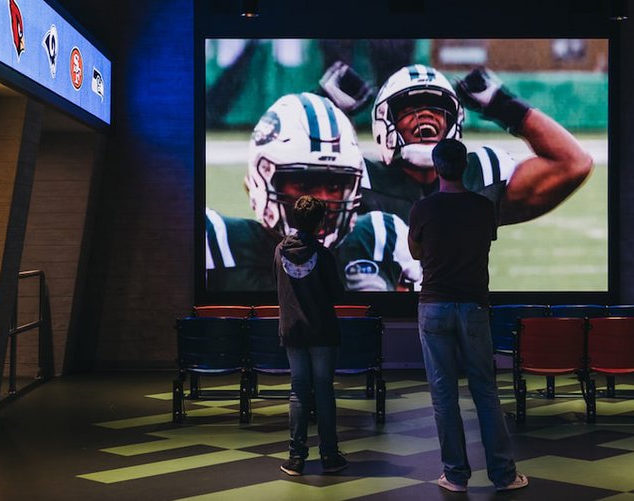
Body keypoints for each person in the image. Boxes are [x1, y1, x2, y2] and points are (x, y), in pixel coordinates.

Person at [320, 62, 593, 226]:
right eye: (408, 108)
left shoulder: (480, 175)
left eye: (437, 108)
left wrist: (503, 105)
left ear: (454, 121)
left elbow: (574, 163)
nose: (425, 115)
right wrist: (322, 104)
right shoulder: (358, 179)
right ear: (384, 121)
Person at [205, 92, 421, 292]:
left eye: (335, 187)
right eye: (305, 186)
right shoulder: (218, 243)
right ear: (263, 178)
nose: (323, 201)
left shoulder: (380, 238)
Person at [407, 138, 528, 493]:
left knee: (444, 395)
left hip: (433, 306)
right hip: (474, 306)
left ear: (436, 166)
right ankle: (503, 475)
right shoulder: (482, 207)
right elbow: (483, 243)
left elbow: (415, 252)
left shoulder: (422, 209)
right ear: (465, 165)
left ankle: (456, 475)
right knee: (485, 393)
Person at [274, 195, 348, 476]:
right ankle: (329, 456)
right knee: (324, 391)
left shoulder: (279, 250)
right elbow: (337, 294)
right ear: (320, 222)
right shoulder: (324, 254)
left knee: (299, 392)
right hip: (322, 331)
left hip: (292, 330)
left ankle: (296, 458)